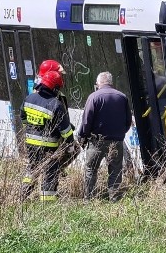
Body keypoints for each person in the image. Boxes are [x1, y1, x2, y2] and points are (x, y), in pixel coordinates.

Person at [21, 70, 74, 202]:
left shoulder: (29, 98)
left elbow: (23, 118)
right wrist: (70, 145)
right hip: (48, 148)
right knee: (50, 173)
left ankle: (23, 194)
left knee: (32, 168)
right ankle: (48, 203)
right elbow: (66, 131)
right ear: (54, 88)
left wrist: (31, 129)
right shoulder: (56, 104)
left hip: (31, 144)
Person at [79, 71, 132, 201]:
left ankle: (88, 199)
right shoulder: (122, 97)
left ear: (99, 83)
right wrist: (120, 134)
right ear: (110, 82)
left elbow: (86, 121)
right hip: (116, 141)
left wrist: (83, 136)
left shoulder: (94, 97)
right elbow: (128, 121)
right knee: (115, 171)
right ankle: (114, 199)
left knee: (91, 169)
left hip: (97, 141)